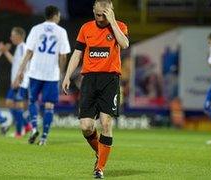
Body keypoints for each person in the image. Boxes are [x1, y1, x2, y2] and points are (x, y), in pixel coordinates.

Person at [62, 0, 129, 178]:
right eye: (96, 14)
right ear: (93, 10)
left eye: (103, 15)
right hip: (89, 80)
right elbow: (77, 53)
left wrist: (113, 22)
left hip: (110, 80)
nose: (99, 18)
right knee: (86, 126)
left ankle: (100, 168)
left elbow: (124, 45)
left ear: (110, 12)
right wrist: (67, 75)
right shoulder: (86, 28)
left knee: (106, 123)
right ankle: (100, 151)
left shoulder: (119, 26)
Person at [14, 5, 71, 145]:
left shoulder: (36, 29)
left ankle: (34, 128)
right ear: (56, 15)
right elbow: (63, 56)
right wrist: (62, 72)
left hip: (35, 72)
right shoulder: (61, 31)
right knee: (49, 105)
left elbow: (28, 53)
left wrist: (20, 71)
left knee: (32, 101)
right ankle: (44, 137)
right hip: (51, 74)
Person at [1, 27, 31, 138]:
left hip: (20, 82)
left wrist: (18, 79)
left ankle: (19, 132)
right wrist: (5, 52)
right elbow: (15, 62)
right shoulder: (19, 47)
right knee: (9, 103)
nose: (11, 37)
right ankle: (26, 125)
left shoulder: (23, 47)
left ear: (19, 36)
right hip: (16, 81)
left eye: (13, 35)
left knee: (17, 106)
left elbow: (25, 64)